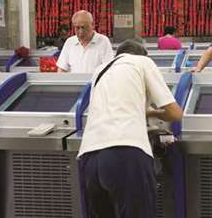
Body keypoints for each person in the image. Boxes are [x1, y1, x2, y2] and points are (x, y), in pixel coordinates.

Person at [78, 39, 182, 218]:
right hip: (125, 153)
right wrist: (154, 113)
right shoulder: (142, 62)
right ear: (141, 55)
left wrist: (144, 112)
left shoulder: (100, 70)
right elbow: (174, 112)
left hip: (89, 157)